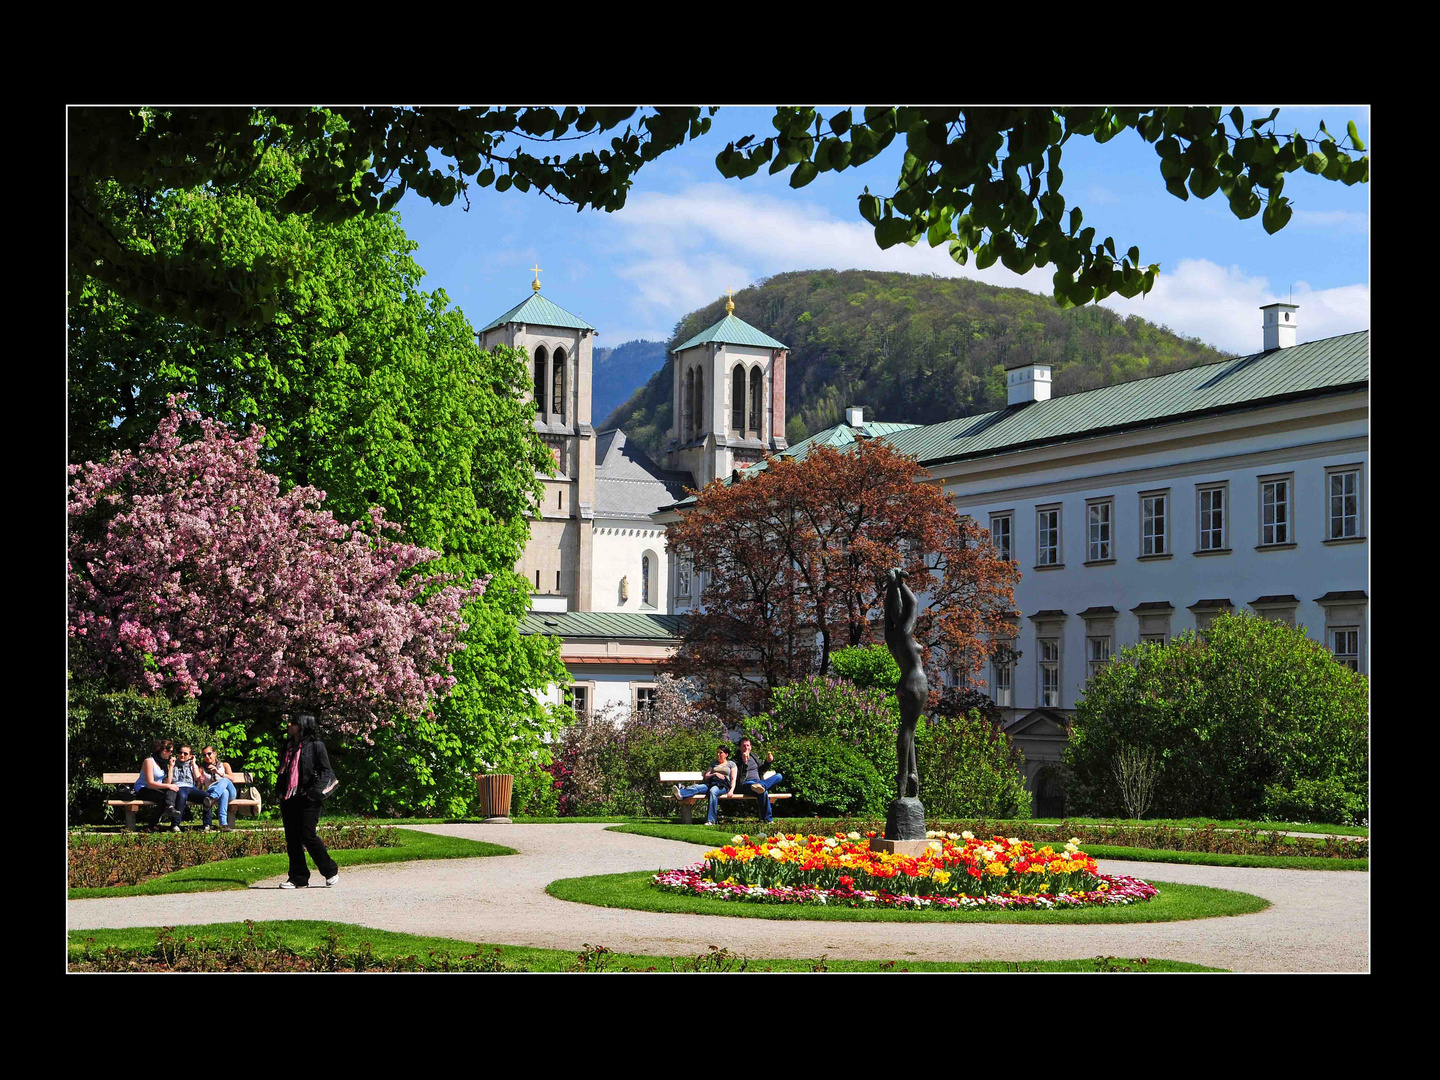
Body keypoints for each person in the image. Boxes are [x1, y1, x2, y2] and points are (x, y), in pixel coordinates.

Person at [275, 710, 341, 889]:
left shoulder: (316, 746)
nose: (289, 725)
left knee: (308, 835)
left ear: (303, 726)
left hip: (309, 798)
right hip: (289, 797)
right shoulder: (288, 745)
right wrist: (280, 791)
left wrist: (314, 792)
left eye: (293, 723)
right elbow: (283, 770)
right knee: (293, 838)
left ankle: (330, 870)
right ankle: (298, 878)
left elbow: (326, 771)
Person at [673, 743, 737, 826]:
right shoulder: (713, 763)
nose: (718, 754)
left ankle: (711, 821)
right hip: (711, 782)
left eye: (721, 753)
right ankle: (680, 794)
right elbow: (706, 776)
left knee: (713, 791)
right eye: (717, 752)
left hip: (723, 785)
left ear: (726, 754)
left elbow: (733, 779)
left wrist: (731, 790)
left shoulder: (731, 764)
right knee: (697, 787)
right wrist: (715, 774)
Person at [131, 739, 183, 830]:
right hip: (143, 788)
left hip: (156, 788)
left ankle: (169, 807)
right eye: (170, 751)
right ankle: (152, 825)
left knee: (173, 790)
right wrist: (168, 786)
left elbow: (167, 782)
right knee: (162, 798)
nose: (171, 754)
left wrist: (171, 767)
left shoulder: (163, 764)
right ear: (164, 751)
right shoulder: (149, 761)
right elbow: (150, 783)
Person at [733, 737, 783, 825]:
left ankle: (761, 785)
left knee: (779, 776)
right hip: (746, 784)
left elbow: (762, 769)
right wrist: (744, 763)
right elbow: (738, 776)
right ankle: (768, 820)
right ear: (740, 748)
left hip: (758, 782)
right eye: (744, 746)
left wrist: (768, 762)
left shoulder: (754, 757)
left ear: (751, 747)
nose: (746, 748)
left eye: (748, 746)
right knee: (763, 792)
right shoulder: (735, 760)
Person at [169, 744, 212, 828]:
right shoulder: (173, 764)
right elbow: (169, 781)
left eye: (185, 754)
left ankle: (207, 824)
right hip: (178, 787)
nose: (182, 755)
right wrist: (171, 767)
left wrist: (194, 764)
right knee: (182, 796)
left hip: (191, 788)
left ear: (190, 756)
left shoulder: (192, 765)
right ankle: (175, 824)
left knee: (207, 797)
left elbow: (197, 778)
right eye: (180, 753)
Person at [197, 746, 239, 831]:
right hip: (213, 789)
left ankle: (212, 798)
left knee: (224, 780)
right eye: (204, 755)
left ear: (215, 753)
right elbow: (200, 785)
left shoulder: (224, 765)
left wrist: (218, 772)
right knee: (224, 792)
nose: (207, 757)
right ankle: (223, 824)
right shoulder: (202, 768)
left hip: (230, 790)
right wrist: (200, 781)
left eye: (209, 754)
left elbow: (232, 778)